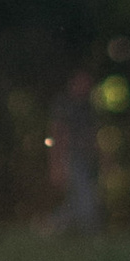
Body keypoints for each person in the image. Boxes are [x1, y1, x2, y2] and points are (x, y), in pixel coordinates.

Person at [45, 66, 103, 233]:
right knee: (85, 202)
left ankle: (49, 227)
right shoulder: (63, 105)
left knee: (77, 200)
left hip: (87, 160)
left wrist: (102, 160)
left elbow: (93, 136)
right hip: (69, 158)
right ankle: (90, 237)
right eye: (82, 81)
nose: (85, 86)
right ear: (73, 82)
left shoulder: (88, 107)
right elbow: (55, 134)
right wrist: (56, 163)